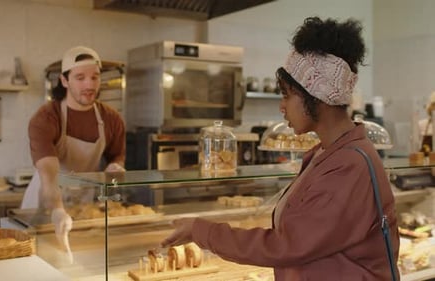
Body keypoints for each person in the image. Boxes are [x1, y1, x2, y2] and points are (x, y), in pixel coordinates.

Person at [161, 17, 400, 280]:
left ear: (316, 94)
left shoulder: (348, 165)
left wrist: (202, 231)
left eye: (286, 94)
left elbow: (286, 245)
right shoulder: (326, 154)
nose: (281, 106)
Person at [21, 46, 126, 246]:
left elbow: (116, 157)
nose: (89, 84)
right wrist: (58, 211)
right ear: (64, 80)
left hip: (84, 206)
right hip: (44, 206)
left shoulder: (112, 119)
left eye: (95, 77)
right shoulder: (46, 118)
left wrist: (115, 167)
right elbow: (49, 174)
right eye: (80, 78)